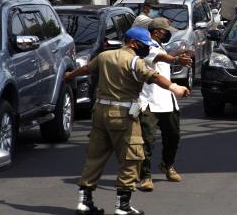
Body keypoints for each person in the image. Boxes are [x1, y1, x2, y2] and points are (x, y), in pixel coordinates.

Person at [65, 27, 191, 215]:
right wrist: (175, 88)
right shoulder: (134, 62)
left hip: (100, 113)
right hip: (123, 115)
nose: (147, 49)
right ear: (133, 43)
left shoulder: (105, 56)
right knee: (132, 158)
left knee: (95, 157)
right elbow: (154, 77)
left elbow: (86, 68)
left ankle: (84, 202)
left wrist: (68, 76)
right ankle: (122, 206)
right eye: (144, 45)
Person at [138, 18, 194, 191]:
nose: (168, 33)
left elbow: (164, 56)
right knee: (147, 141)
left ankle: (167, 165)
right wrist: (177, 61)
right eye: (165, 30)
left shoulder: (159, 45)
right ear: (156, 32)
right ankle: (145, 176)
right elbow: (161, 57)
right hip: (149, 102)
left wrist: (178, 53)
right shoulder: (147, 46)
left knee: (173, 136)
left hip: (167, 100)